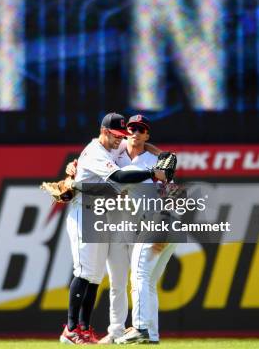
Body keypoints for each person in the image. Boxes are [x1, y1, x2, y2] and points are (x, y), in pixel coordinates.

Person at [60, 113, 167, 345]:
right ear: (104, 131)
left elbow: (147, 152)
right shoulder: (101, 152)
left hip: (135, 222)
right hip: (95, 213)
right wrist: (74, 171)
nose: (129, 135)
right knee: (100, 276)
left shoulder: (119, 150)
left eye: (139, 130)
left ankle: (140, 331)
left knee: (114, 277)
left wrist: (163, 155)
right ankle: (79, 329)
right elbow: (118, 175)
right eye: (128, 131)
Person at [114, 115, 177, 345]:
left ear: (147, 134)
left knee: (139, 276)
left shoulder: (155, 158)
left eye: (141, 130)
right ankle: (151, 335)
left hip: (160, 219)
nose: (136, 132)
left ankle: (140, 327)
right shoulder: (117, 154)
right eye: (132, 128)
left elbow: (170, 179)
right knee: (148, 282)